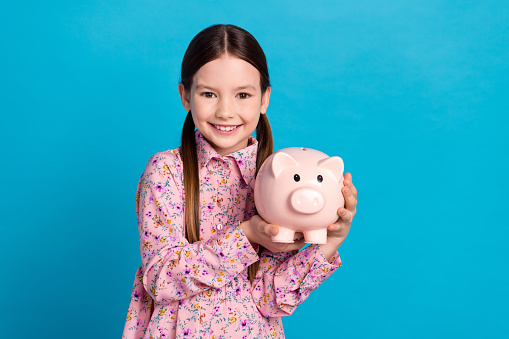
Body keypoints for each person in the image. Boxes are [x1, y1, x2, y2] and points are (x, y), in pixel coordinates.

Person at [122, 24, 358, 339]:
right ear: (185, 96)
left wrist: (330, 241)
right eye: (208, 94)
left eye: (243, 94)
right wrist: (246, 236)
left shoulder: (276, 179)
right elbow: (161, 280)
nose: (225, 110)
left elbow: (272, 299)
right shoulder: (166, 172)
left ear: (264, 99)